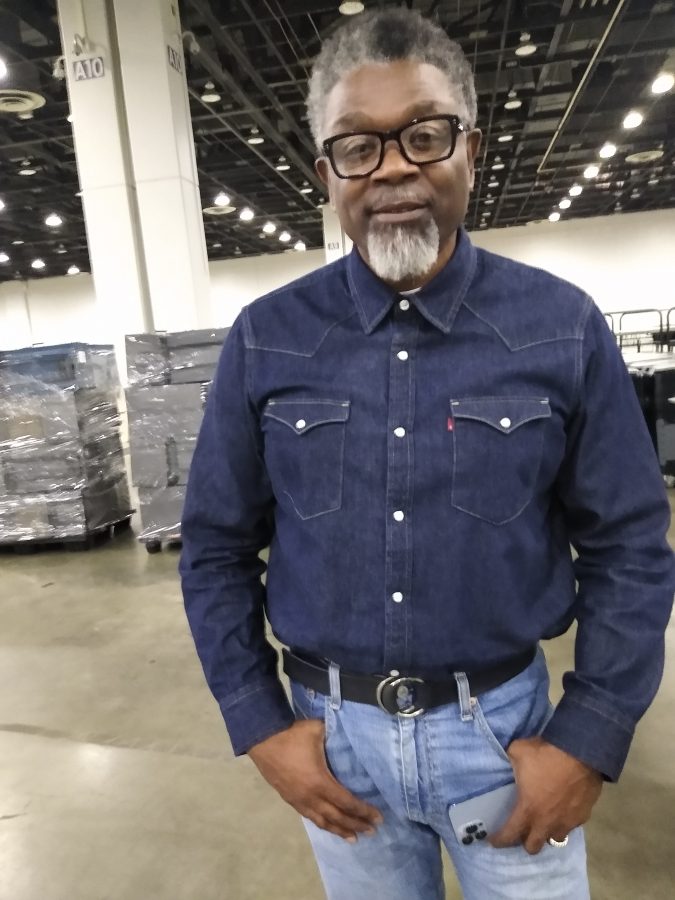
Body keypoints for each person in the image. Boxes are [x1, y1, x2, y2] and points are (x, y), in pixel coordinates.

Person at [180, 9, 674, 899]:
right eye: (358, 147)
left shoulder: (559, 328)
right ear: (326, 172)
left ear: (470, 149)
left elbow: (630, 548)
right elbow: (214, 548)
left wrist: (589, 736)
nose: (395, 166)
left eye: (424, 134)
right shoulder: (268, 339)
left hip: (508, 743)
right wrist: (259, 725)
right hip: (335, 749)